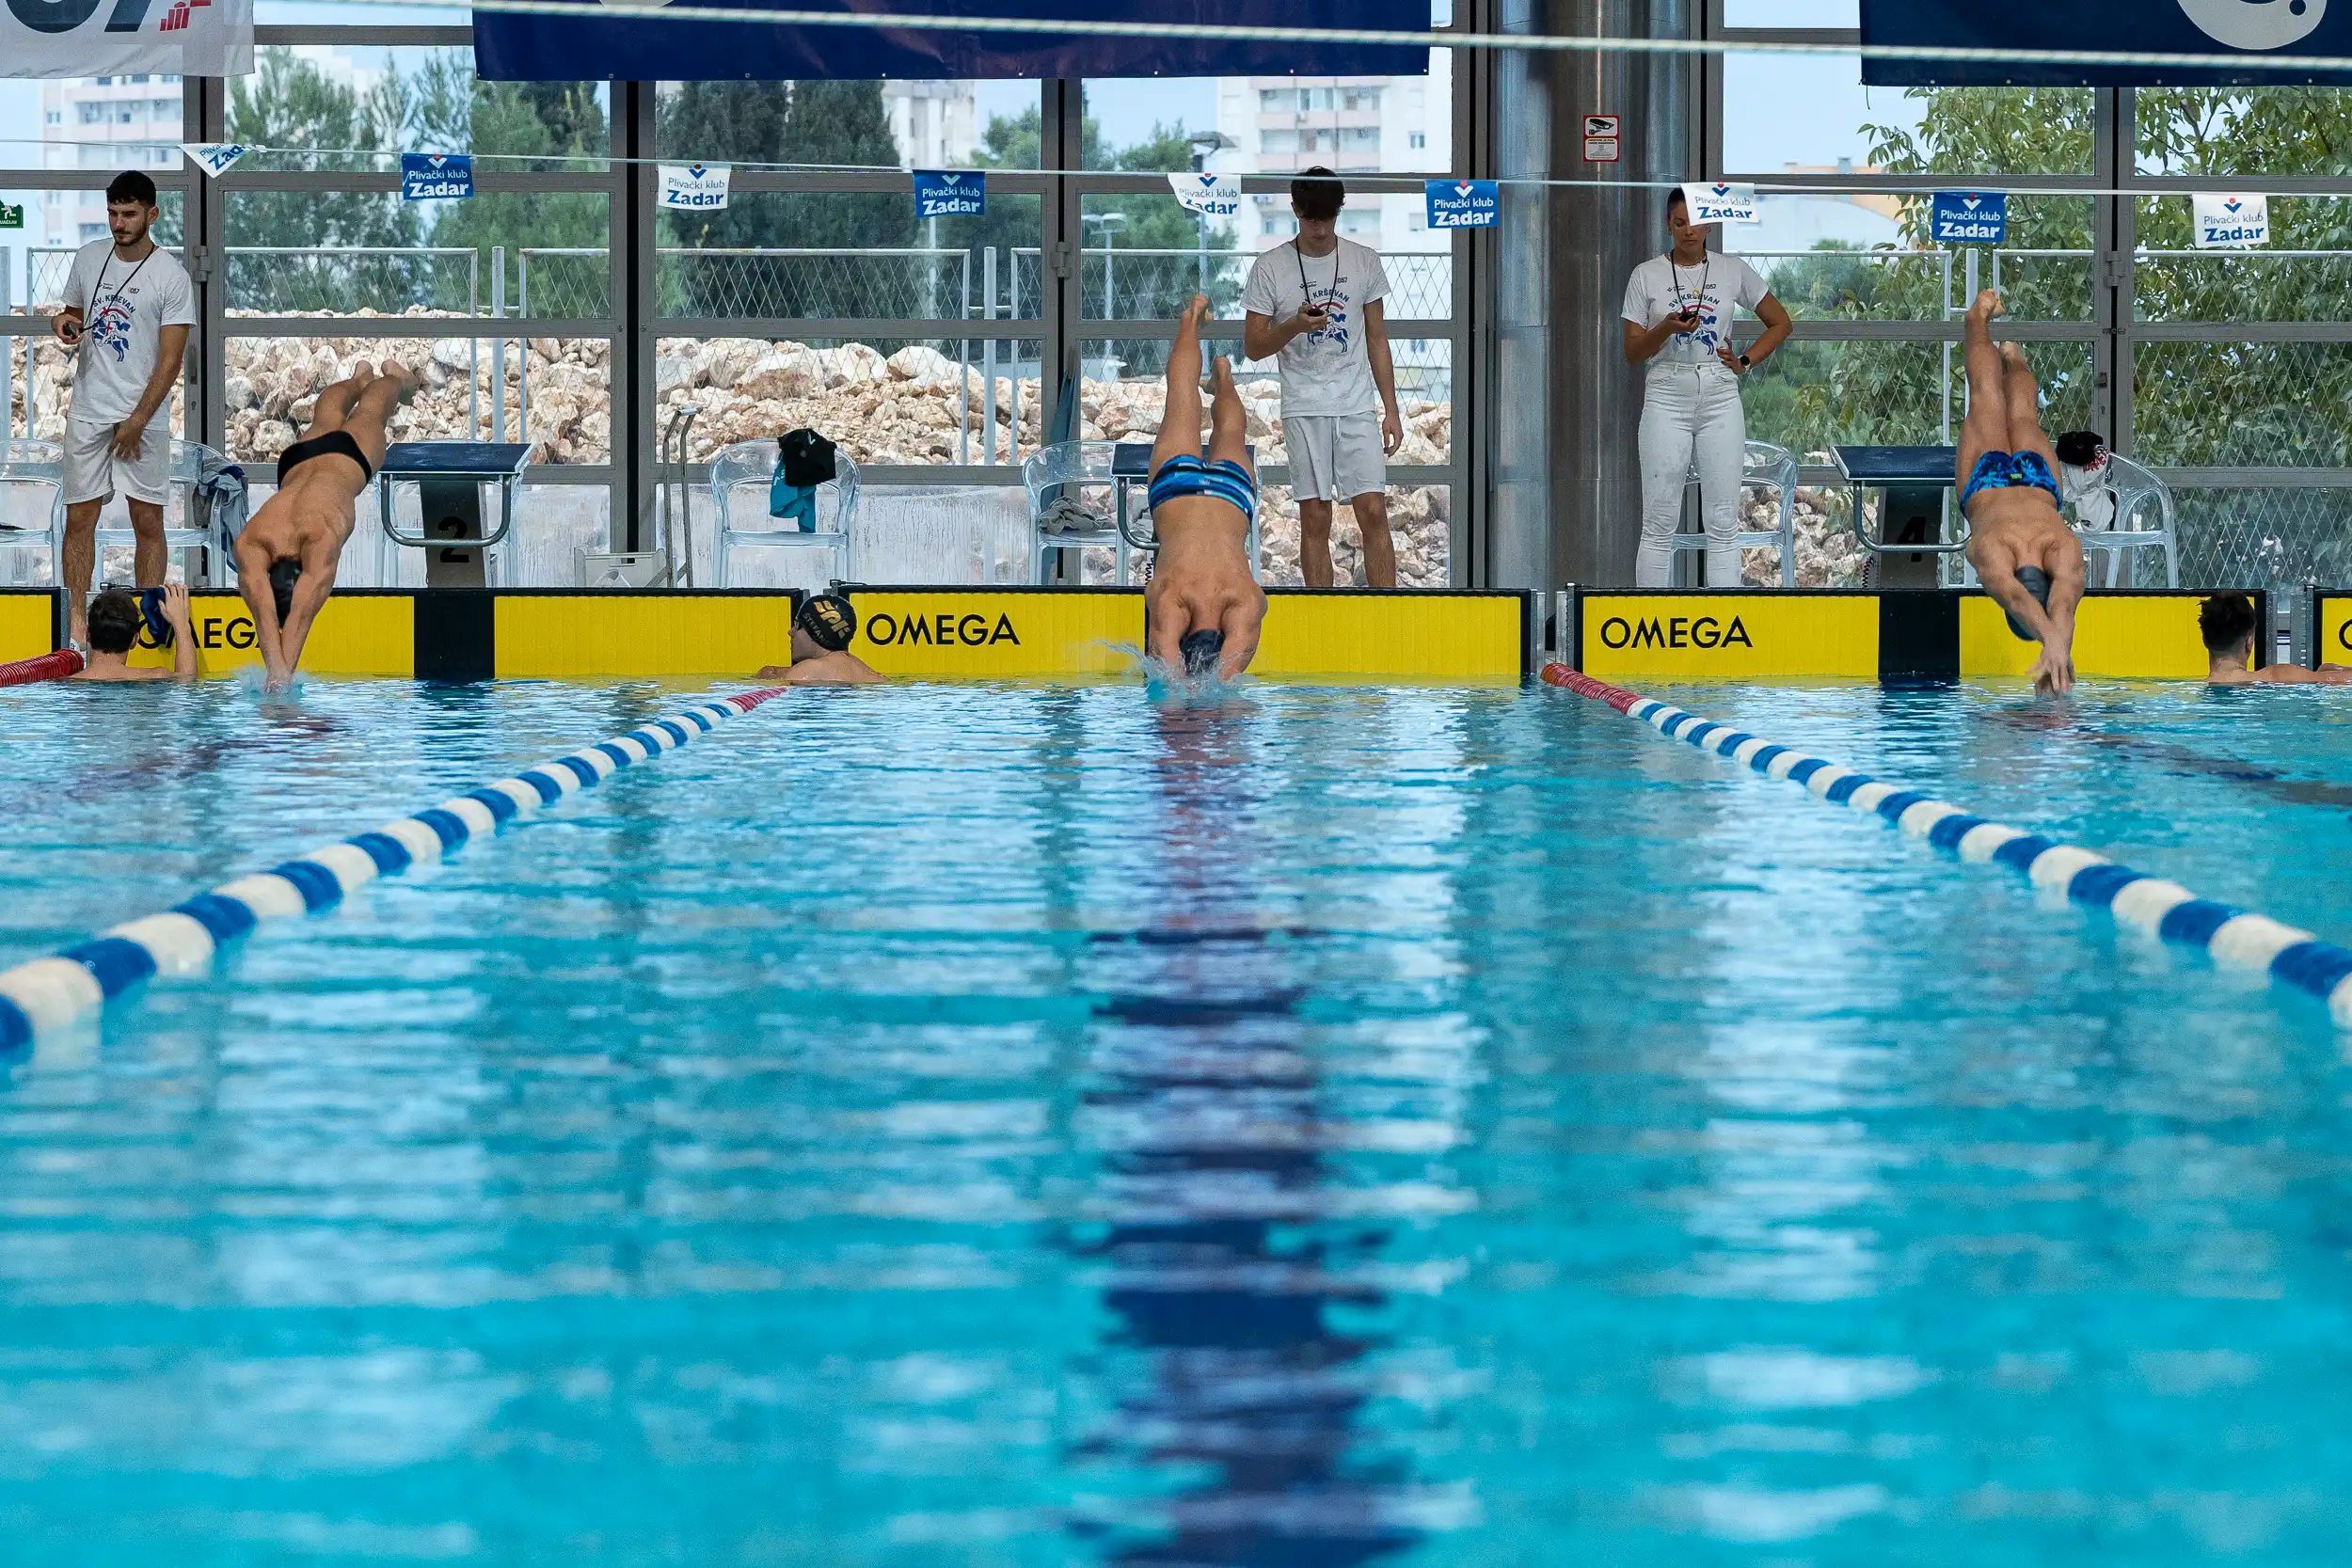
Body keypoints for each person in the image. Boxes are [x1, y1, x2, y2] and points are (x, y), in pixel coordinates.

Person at [53, 170, 196, 653]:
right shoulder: (89, 257)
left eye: (129, 214)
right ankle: (76, 622)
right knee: (79, 520)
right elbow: (70, 311)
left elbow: (171, 359)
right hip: (90, 409)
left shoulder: (170, 276)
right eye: (113, 213)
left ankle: (150, 613)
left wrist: (137, 420)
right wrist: (65, 323)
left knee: (148, 521)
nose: (119, 223)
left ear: (152, 214)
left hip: (144, 416)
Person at [1621, 188, 1793, 589]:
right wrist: (1665, 327)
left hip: (1718, 390)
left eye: (1695, 223)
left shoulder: (1732, 269)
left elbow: (1781, 322)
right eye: (1679, 223)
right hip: (1666, 390)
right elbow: (1631, 352)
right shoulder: (1646, 274)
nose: (1688, 232)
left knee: (1722, 518)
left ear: (1709, 225)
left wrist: (1746, 361)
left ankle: (1722, 616)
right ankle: (1651, 621)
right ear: (1668, 225)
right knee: (1659, 519)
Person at [1241, 166, 1405, 588]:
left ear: (1339, 211)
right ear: (1296, 210)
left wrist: (1391, 408)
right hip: (1304, 404)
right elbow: (1253, 346)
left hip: (1355, 403)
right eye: (1311, 217)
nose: (1319, 227)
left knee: (1372, 508)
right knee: (1315, 515)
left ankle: (1387, 615)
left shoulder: (1363, 259)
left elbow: (1377, 339)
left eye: (1327, 217)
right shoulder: (1270, 267)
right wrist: (1294, 325)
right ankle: (1323, 616)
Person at [232, 360, 410, 689]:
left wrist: (279, 677)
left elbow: (296, 614)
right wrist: (277, 670)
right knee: (326, 416)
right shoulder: (253, 539)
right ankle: (358, 380)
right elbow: (264, 606)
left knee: (372, 412)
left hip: (350, 459)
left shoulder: (318, 536)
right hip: (298, 460)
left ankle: (396, 380)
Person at [1956, 290, 2084, 696]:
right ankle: (1977, 318)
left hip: (2038, 483)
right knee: (1986, 393)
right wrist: (2053, 645)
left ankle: (2014, 355)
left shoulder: (2063, 548)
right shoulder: (1988, 551)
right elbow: (2016, 598)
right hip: (1987, 484)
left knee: (2021, 411)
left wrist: (2056, 646)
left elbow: (2061, 602)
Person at [1147, 295, 1268, 678]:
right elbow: (1185, 675)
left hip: (1230, 494)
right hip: (1176, 489)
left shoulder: (1246, 602)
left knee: (1231, 431)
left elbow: (1214, 677)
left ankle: (1223, 375)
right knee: (1182, 396)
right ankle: (1190, 319)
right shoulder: (1169, 598)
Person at [2201, 593, 2352, 685]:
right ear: (2250, 641)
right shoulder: (2278, 676)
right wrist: (2326, 670)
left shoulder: (2185, 690)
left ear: (2204, 640)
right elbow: (2342, 680)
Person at [71, 583, 197, 683]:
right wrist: (181, 625)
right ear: (135, 639)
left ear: (87, 633)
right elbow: (186, 680)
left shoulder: (68, 685)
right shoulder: (156, 677)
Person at [755, 591, 883, 685]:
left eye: (797, 625)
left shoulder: (809, 670)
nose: (791, 632)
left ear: (814, 633)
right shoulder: (869, 673)